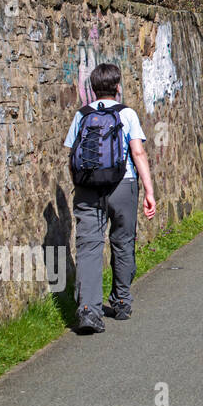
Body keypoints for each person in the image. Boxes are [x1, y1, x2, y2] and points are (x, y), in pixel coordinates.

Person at [64, 62, 157, 333]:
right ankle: (121, 301)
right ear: (118, 88)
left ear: (92, 90)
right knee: (122, 240)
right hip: (123, 184)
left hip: (88, 189)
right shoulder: (127, 114)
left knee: (89, 247)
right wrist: (149, 191)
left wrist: (80, 185)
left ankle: (89, 311)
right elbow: (138, 153)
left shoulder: (81, 115)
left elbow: (72, 156)